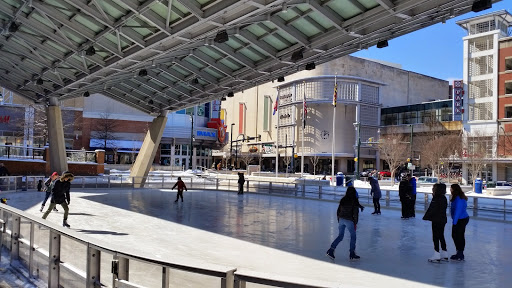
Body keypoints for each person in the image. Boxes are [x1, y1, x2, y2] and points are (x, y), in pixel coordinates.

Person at [326, 186, 361, 260]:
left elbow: (338, 210)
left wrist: (339, 219)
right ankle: (352, 253)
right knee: (353, 236)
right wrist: (355, 222)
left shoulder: (343, 199)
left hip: (341, 219)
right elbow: (355, 213)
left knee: (340, 236)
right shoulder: (354, 201)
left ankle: (331, 250)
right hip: (349, 220)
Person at [423, 183, 448, 262]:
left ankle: (436, 254)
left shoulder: (436, 198)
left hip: (437, 220)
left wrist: (426, 217)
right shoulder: (443, 198)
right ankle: (444, 253)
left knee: (436, 236)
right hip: (442, 219)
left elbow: (432, 209)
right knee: (441, 235)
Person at [450, 183, 469, 261]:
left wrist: (454, 223)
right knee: (457, 235)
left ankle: (460, 253)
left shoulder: (459, 199)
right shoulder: (457, 197)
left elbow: (457, 211)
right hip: (460, 219)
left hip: (461, 219)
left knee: (458, 236)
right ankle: (459, 252)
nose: (450, 190)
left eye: (451, 188)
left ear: (454, 189)